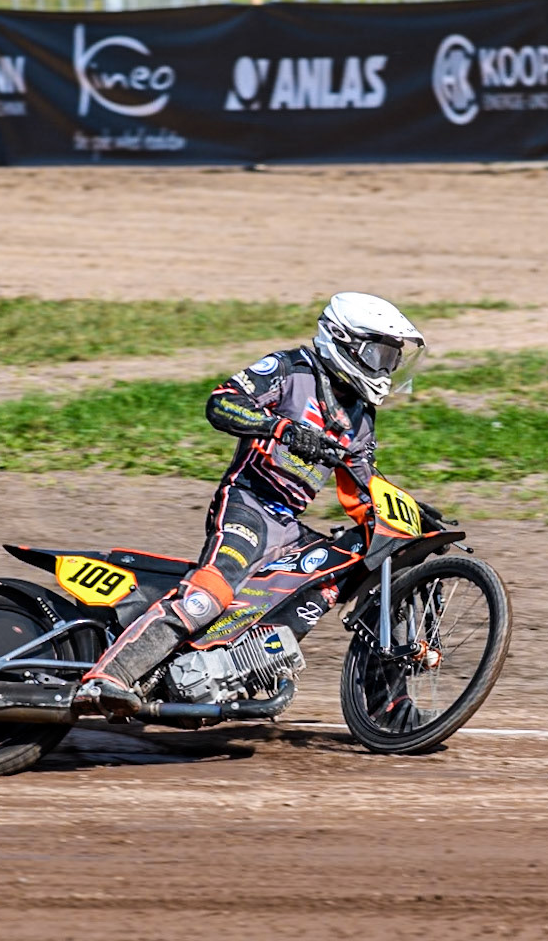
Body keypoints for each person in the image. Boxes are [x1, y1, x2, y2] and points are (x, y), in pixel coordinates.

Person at [75, 292, 426, 715]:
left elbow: (360, 486)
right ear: (345, 341)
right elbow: (221, 403)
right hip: (246, 505)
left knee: (368, 563)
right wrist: (281, 428)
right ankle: (107, 677)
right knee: (208, 595)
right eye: (380, 354)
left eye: (393, 358)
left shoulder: (360, 415)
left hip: (289, 526)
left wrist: (411, 513)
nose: (386, 367)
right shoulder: (291, 369)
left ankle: (386, 706)